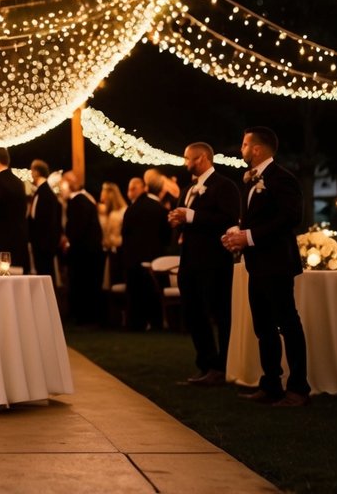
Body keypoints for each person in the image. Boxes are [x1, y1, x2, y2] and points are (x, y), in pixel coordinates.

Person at [222, 127, 310, 407]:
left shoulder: (282, 178)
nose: (242, 148)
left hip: (278, 263)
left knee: (288, 324)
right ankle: (271, 383)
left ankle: (298, 389)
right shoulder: (250, 179)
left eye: (245, 143)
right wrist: (238, 235)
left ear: (257, 149)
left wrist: (248, 237)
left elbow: (291, 218)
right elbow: (255, 220)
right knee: (264, 327)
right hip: (257, 264)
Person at [168, 142, 241, 386]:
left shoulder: (225, 186)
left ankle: (224, 365)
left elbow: (228, 219)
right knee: (193, 313)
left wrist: (191, 216)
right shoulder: (188, 188)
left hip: (214, 261)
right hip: (189, 260)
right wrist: (177, 220)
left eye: (187, 158)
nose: (185, 162)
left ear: (202, 159)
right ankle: (206, 363)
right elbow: (186, 219)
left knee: (219, 313)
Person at [121, 175, 171, 331]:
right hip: (156, 257)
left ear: (144, 188)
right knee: (154, 291)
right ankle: (157, 323)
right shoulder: (160, 208)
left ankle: (135, 323)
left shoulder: (131, 209)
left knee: (135, 293)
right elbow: (167, 235)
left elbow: (125, 234)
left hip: (133, 257)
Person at [61, 171, 103, 323]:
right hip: (90, 250)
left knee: (82, 283)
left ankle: (82, 316)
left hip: (83, 251)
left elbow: (77, 228)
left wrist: (68, 241)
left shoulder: (77, 201)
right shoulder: (85, 199)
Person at [27, 160, 62, 277]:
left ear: (36, 172)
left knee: (45, 274)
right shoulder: (41, 191)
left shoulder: (46, 193)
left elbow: (48, 221)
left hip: (44, 245)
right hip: (40, 244)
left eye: (32, 170)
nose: (31, 174)